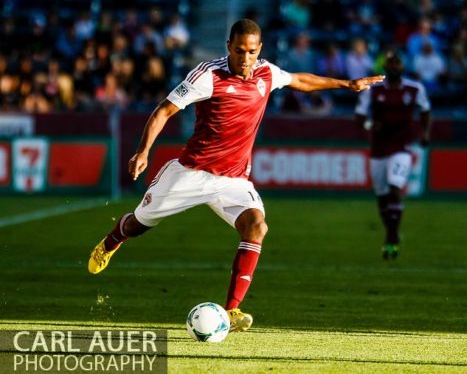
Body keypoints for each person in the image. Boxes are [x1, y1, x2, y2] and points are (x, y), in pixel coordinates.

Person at [87, 19, 383, 332]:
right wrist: (144, 151)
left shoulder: (267, 73)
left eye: (252, 51)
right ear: (229, 46)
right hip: (190, 173)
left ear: (260, 50)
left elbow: (300, 80)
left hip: (234, 180)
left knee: (256, 227)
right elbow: (164, 110)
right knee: (138, 224)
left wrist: (346, 85)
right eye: (239, 50)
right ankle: (111, 241)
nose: (245, 58)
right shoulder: (208, 75)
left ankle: (231, 311)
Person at [355, 50, 431, 260]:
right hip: (379, 147)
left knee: (394, 187)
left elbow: (425, 111)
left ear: (403, 67)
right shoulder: (373, 90)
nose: (394, 67)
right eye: (391, 64)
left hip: (402, 147)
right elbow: (360, 117)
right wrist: (372, 124)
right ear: (385, 67)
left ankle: (391, 237)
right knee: (381, 197)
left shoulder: (415, 89)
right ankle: (392, 231)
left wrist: (425, 134)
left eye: (397, 63)